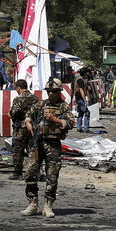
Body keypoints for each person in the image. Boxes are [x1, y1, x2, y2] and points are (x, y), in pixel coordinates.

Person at [21, 78, 75, 218]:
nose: (51, 94)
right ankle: (32, 203)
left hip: (52, 144)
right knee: (30, 172)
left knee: (52, 175)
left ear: (59, 92)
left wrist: (55, 119)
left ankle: (48, 205)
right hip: (36, 143)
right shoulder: (40, 104)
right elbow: (28, 116)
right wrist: (28, 124)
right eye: (49, 91)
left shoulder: (63, 106)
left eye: (54, 91)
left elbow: (70, 123)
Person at [8, 79, 38, 179]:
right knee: (32, 150)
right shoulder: (35, 98)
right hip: (32, 127)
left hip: (20, 129)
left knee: (18, 150)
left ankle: (18, 172)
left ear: (18, 88)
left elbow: (14, 113)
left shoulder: (18, 99)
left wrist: (10, 113)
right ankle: (34, 172)